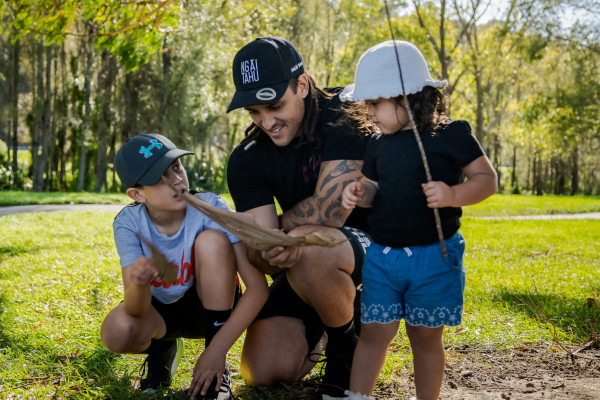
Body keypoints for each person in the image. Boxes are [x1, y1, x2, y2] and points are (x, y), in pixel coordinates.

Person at [331, 41, 498, 400]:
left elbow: (487, 180)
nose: (370, 111)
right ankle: (358, 395)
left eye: (375, 103)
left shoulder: (450, 134)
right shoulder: (378, 142)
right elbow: (374, 186)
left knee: (423, 336)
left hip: (434, 256)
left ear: (406, 96)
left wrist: (452, 195)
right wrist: (360, 192)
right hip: (382, 256)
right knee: (374, 332)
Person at [225, 37, 373, 397]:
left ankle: (347, 347)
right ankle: (331, 318)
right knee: (260, 372)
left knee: (309, 239)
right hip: (307, 267)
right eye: (255, 113)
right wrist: (270, 251)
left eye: (275, 106)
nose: (267, 122)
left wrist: (278, 232)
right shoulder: (246, 159)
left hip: (377, 253)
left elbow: (332, 210)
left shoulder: (345, 113)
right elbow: (261, 250)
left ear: (302, 85)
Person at [100, 133, 268, 400]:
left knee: (212, 240)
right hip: (161, 316)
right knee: (117, 331)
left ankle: (216, 376)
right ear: (137, 194)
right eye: (160, 177)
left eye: (176, 167)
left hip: (212, 308)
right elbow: (135, 310)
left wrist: (216, 352)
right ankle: (161, 353)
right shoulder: (129, 222)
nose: (177, 180)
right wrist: (141, 283)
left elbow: (258, 289)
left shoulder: (210, 206)